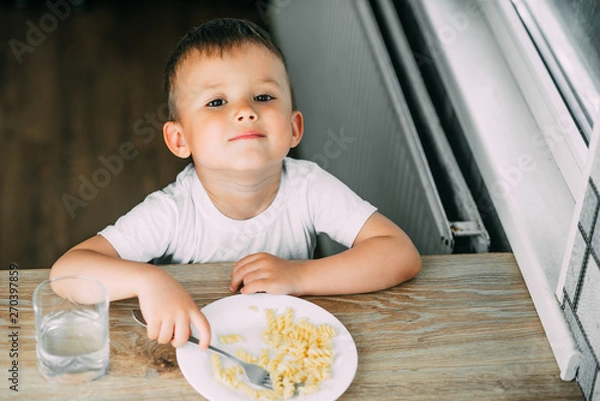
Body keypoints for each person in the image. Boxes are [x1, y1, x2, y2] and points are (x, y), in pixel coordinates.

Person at [50, 18, 421, 351]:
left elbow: (399, 253)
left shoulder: (309, 187)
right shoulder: (174, 210)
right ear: (180, 140)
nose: (245, 110)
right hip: (198, 350)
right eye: (216, 101)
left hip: (284, 346)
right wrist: (148, 281)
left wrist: (299, 275)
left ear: (294, 128)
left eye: (263, 96)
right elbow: (67, 272)